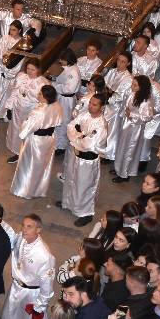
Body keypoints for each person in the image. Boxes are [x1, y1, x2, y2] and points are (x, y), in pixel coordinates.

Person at [0, 215, 55, 319]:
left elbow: (47, 284)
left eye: (29, 226)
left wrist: (40, 306)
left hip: (30, 294)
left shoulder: (44, 256)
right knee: (12, 315)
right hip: (16, 287)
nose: (24, 229)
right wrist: (0, 222)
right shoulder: (22, 238)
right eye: (23, 225)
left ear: (39, 229)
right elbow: (13, 238)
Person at [63, 94, 109, 227]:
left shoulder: (100, 125)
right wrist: (80, 136)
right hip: (75, 155)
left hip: (88, 160)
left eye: (94, 104)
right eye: (90, 103)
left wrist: (78, 137)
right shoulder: (85, 115)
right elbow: (71, 126)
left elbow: (88, 144)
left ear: (102, 107)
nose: (90, 106)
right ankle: (69, 203)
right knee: (71, 180)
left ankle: (86, 213)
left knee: (84, 186)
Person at [11, 85, 63, 199]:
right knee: (43, 164)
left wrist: (24, 123)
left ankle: (25, 190)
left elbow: (26, 129)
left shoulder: (38, 111)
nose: (38, 95)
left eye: (40, 94)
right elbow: (58, 122)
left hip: (36, 141)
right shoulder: (57, 106)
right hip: (49, 140)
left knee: (29, 165)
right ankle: (39, 189)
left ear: (45, 97)